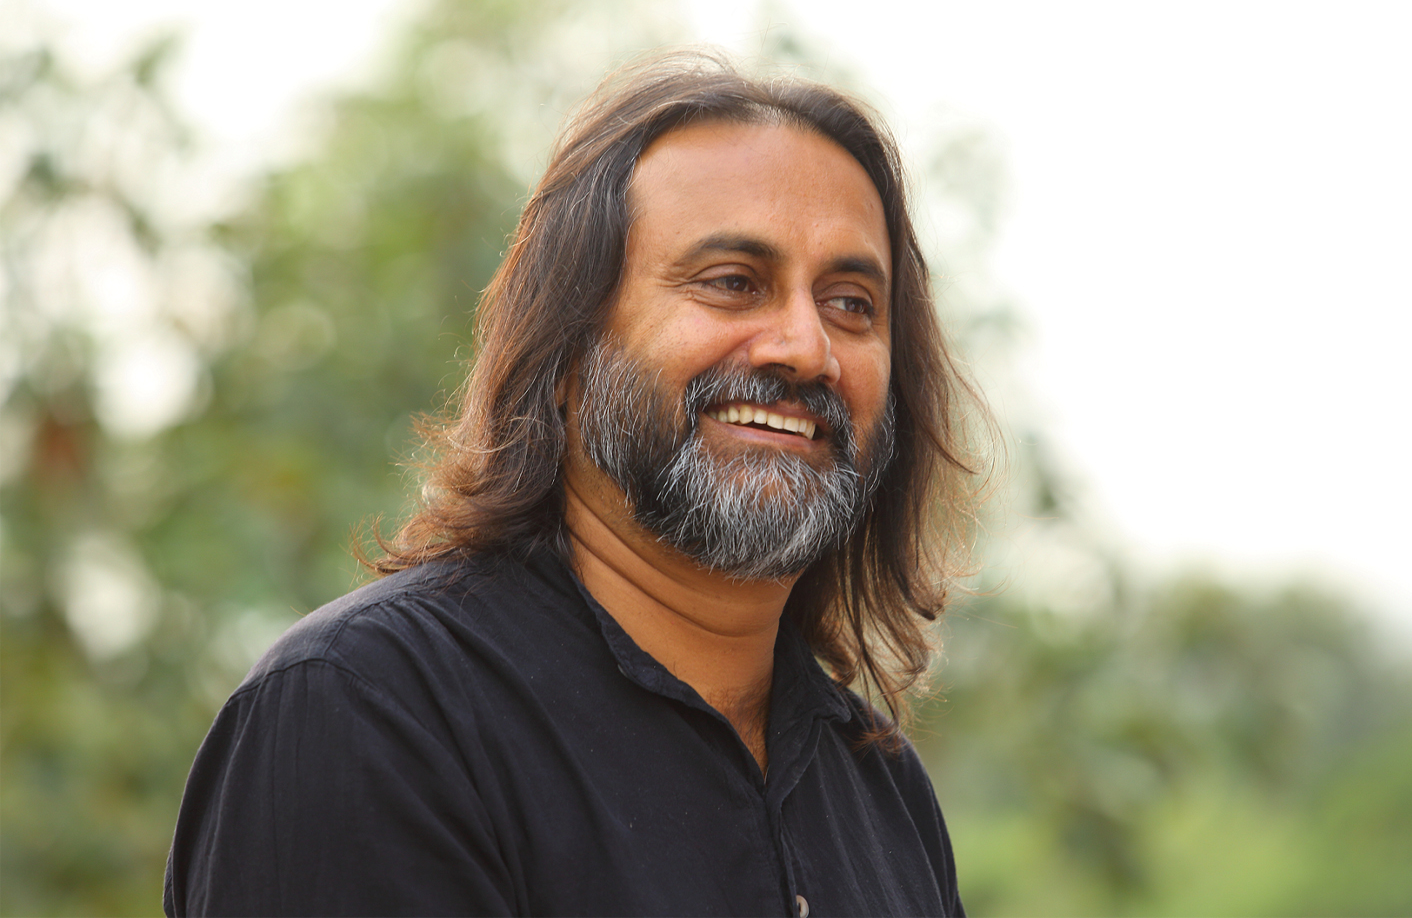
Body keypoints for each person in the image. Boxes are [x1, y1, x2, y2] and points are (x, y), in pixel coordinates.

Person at [164, 51, 984, 917]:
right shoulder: (370, 711)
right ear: (565, 352)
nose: (805, 347)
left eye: (851, 302)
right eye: (732, 283)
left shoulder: (881, 790)